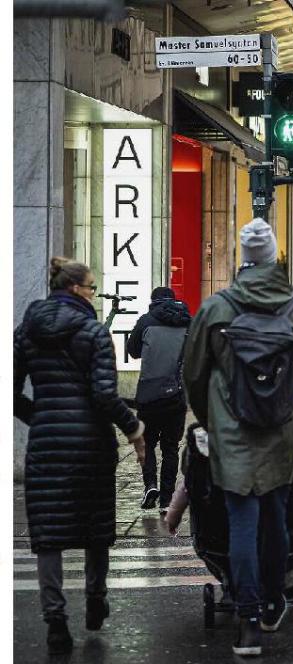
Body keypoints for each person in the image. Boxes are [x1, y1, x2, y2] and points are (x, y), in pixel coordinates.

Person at [183, 219, 293, 656]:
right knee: (275, 515)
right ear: (273, 260)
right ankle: (273, 603)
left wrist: (209, 419)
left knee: (241, 520)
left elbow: (193, 373)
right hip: (280, 428)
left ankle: (247, 622)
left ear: (243, 259)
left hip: (230, 428)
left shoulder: (216, 309)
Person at [15, 258, 146, 655]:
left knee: (48, 536)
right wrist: (134, 428)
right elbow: (105, 396)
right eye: (91, 287)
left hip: (46, 444)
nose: (93, 294)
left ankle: (55, 620)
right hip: (91, 444)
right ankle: (95, 599)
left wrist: (41, 416)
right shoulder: (93, 332)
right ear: (75, 289)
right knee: (95, 527)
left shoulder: (26, 331)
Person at [126, 286, 191, 513]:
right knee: (171, 448)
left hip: (149, 394)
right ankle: (166, 500)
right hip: (177, 394)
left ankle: (150, 485)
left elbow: (133, 351)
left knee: (147, 443)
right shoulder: (188, 321)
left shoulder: (146, 321)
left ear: (153, 301)